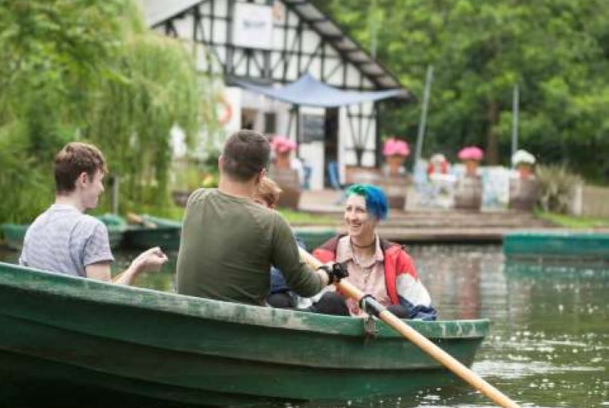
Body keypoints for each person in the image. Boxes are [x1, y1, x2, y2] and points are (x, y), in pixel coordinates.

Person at [176, 129, 347, 305]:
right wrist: (328, 273)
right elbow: (305, 286)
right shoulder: (272, 222)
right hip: (240, 329)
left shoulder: (196, 200)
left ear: (221, 163)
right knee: (332, 304)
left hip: (188, 322)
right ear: (261, 176)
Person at [20, 142, 167, 284]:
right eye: (100, 180)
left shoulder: (34, 228)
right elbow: (105, 299)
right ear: (83, 179)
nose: (102, 188)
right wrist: (138, 266)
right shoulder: (92, 229)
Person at [312, 184, 437, 320]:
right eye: (348, 209)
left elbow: (424, 311)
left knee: (399, 312)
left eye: (360, 210)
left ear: (377, 217)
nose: (352, 217)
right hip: (336, 333)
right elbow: (310, 304)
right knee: (330, 300)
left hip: (382, 334)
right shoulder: (325, 255)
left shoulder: (398, 259)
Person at [253, 177, 350, 315]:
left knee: (332, 301)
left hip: (290, 306)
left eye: (256, 203)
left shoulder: (290, 239)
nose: (250, 210)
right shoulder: (235, 235)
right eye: (247, 204)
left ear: (271, 209)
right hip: (256, 306)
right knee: (277, 299)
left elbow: (293, 277)